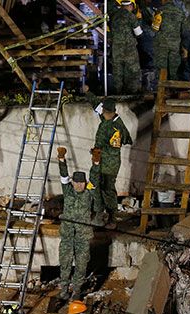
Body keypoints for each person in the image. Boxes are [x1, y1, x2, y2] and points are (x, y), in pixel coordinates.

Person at [82, 91, 133, 229]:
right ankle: (99, 214)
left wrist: (99, 151)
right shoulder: (106, 118)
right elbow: (96, 105)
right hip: (99, 161)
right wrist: (87, 92)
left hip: (110, 164)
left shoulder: (117, 128)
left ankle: (112, 217)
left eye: (104, 111)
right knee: (95, 186)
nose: (102, 113)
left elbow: (114, 149)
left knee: (108, 189)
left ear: (111, 112)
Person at [56, 147, 95, 300]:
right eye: (76, 182)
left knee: (81, 264)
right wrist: (61, 159)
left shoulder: (89, 193)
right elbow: (63, 175)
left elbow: (95, 178)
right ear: (72, 183)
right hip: (67, 236)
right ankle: (64, 290)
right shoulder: (67, 191)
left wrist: (96, 162)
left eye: (81, 183)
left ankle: (77, 290)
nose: (79, 185)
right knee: (65, 263)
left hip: (83, 236)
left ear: (85, 183)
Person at [110, 0, 143, 95]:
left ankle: (118, 95)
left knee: (118, 73)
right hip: (129, 50)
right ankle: (132, 94)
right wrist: (139, 20)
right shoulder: (131, 16)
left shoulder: (114, 16)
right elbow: (139, 33)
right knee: (133, 72)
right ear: (131, 5)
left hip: (116, 49)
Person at [152, 0, 190, 82]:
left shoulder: (159, 11)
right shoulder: (180, 12)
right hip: (175, 45)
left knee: (161, 68)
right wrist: (185, 48)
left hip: (161, 45)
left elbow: (154, 29)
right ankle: (173, 89)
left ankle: (161, 91)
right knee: (174, 69)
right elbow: (185, 32)